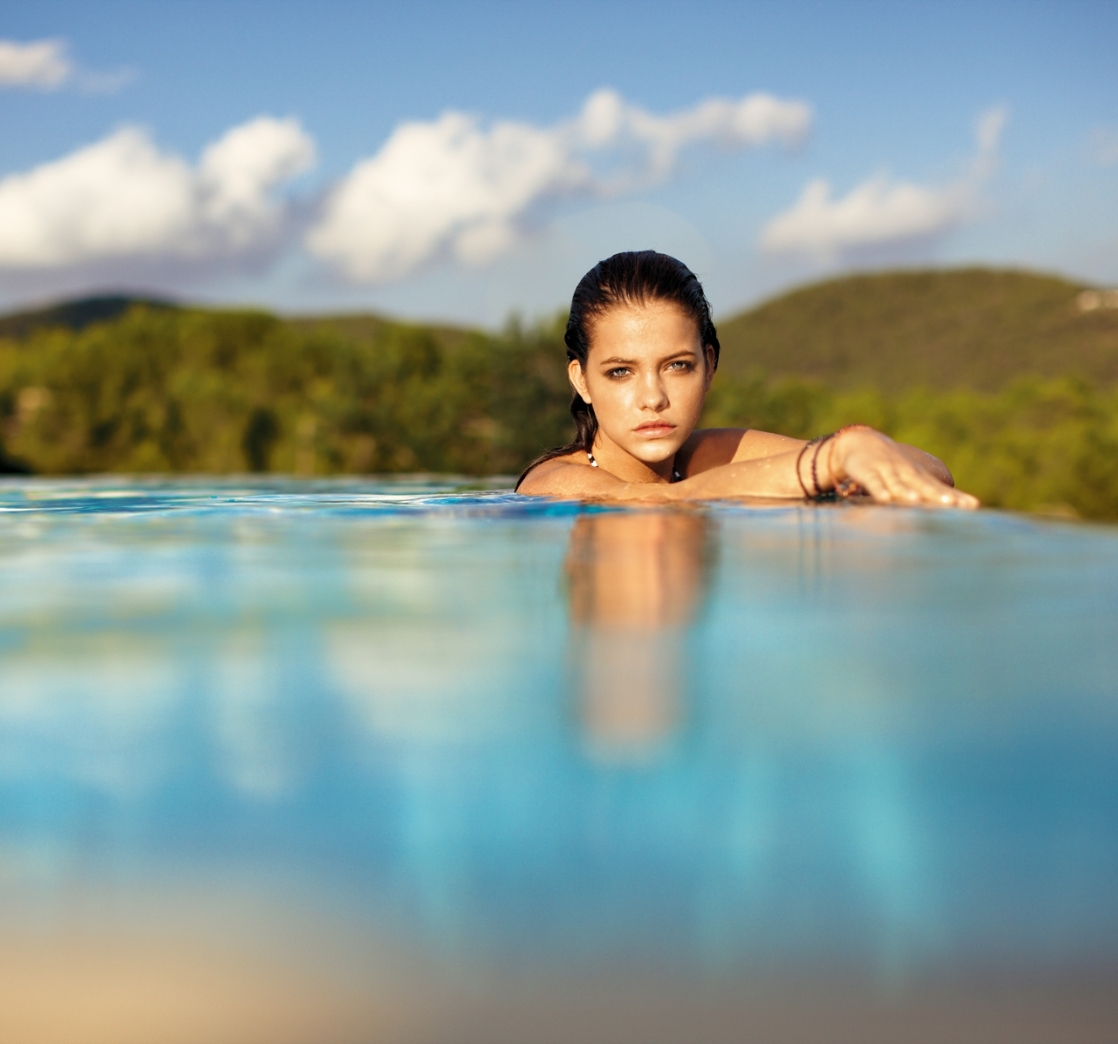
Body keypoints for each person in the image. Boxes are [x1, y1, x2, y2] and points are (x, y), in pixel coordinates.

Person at [516, 251, 978, 508]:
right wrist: (833, 460)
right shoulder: (555, 484)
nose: (652, 398)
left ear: (709, 365)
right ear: (582, 381)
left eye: (678, 365)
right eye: (620, 372)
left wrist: (859, 448)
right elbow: (654, 502)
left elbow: (936, 472)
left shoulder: (704, 457)